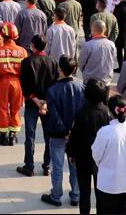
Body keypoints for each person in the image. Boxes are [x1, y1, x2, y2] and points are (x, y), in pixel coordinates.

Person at [41, 55, 84, 208]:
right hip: (76, 135)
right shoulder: (81, 88)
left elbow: (54, 115)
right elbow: (82, 113)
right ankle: (76, 195)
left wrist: (64, 130)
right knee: (75, 166)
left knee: (57, 167)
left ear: (59, 69)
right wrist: (73, 130)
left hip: (58, 134)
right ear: (75, 69)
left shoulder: (53, 90)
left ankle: (56, 195)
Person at [90, 94, 126, 214]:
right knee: (123, 210)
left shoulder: (104, 132)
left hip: (107, 182)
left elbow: (96, 155)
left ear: (110, 111)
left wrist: (104, 165)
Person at [66, 79, 111, 215]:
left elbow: (74, 137)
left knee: (84, 193)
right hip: (102, 160)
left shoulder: (81, 114)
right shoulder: (107, 113)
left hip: (83, 158)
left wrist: (71, 153)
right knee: (100, 193)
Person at [17, 34, 58, 177]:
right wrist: (45, 102)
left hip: (31, 103)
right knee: (48, 136)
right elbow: (54, 84)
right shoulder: (53, 62)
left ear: (32, 46)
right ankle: (47, 166)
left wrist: (35, 100)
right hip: (47, 105)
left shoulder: (27, 62)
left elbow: (24, 84)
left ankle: (29, 166)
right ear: (45, 46)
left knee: (30, 136)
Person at [0, 22, 27, 146]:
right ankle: (13, 136)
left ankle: (3, 136)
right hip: (17, 83)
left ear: (3, 36)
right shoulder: (22, 51)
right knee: (16, 108)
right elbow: (25, 71)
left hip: (3, 82)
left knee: (3, 108)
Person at [78, 19, 116, 86]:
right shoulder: (111, 44)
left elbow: (81, 63)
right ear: (105, 30)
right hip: (105, 81)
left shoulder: (87, 45)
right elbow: (112, 60)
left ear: (92, 30)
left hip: (90, 81)